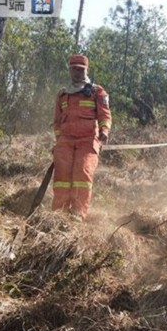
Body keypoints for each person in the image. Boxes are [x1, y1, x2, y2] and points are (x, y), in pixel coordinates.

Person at [51, 54, 112, 219]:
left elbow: (105, 115)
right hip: (65, 142)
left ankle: (78, 214)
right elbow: (57, 121)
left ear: (86, 70)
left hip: (88, 141)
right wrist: (59, 141)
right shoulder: (62, 94)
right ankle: (58, 214)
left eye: (81, 69)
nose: (77, 72)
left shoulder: (97, 91)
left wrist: (104, 131)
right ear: (69, 70)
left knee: (82, 172)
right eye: (74, 69)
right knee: (61, 176)